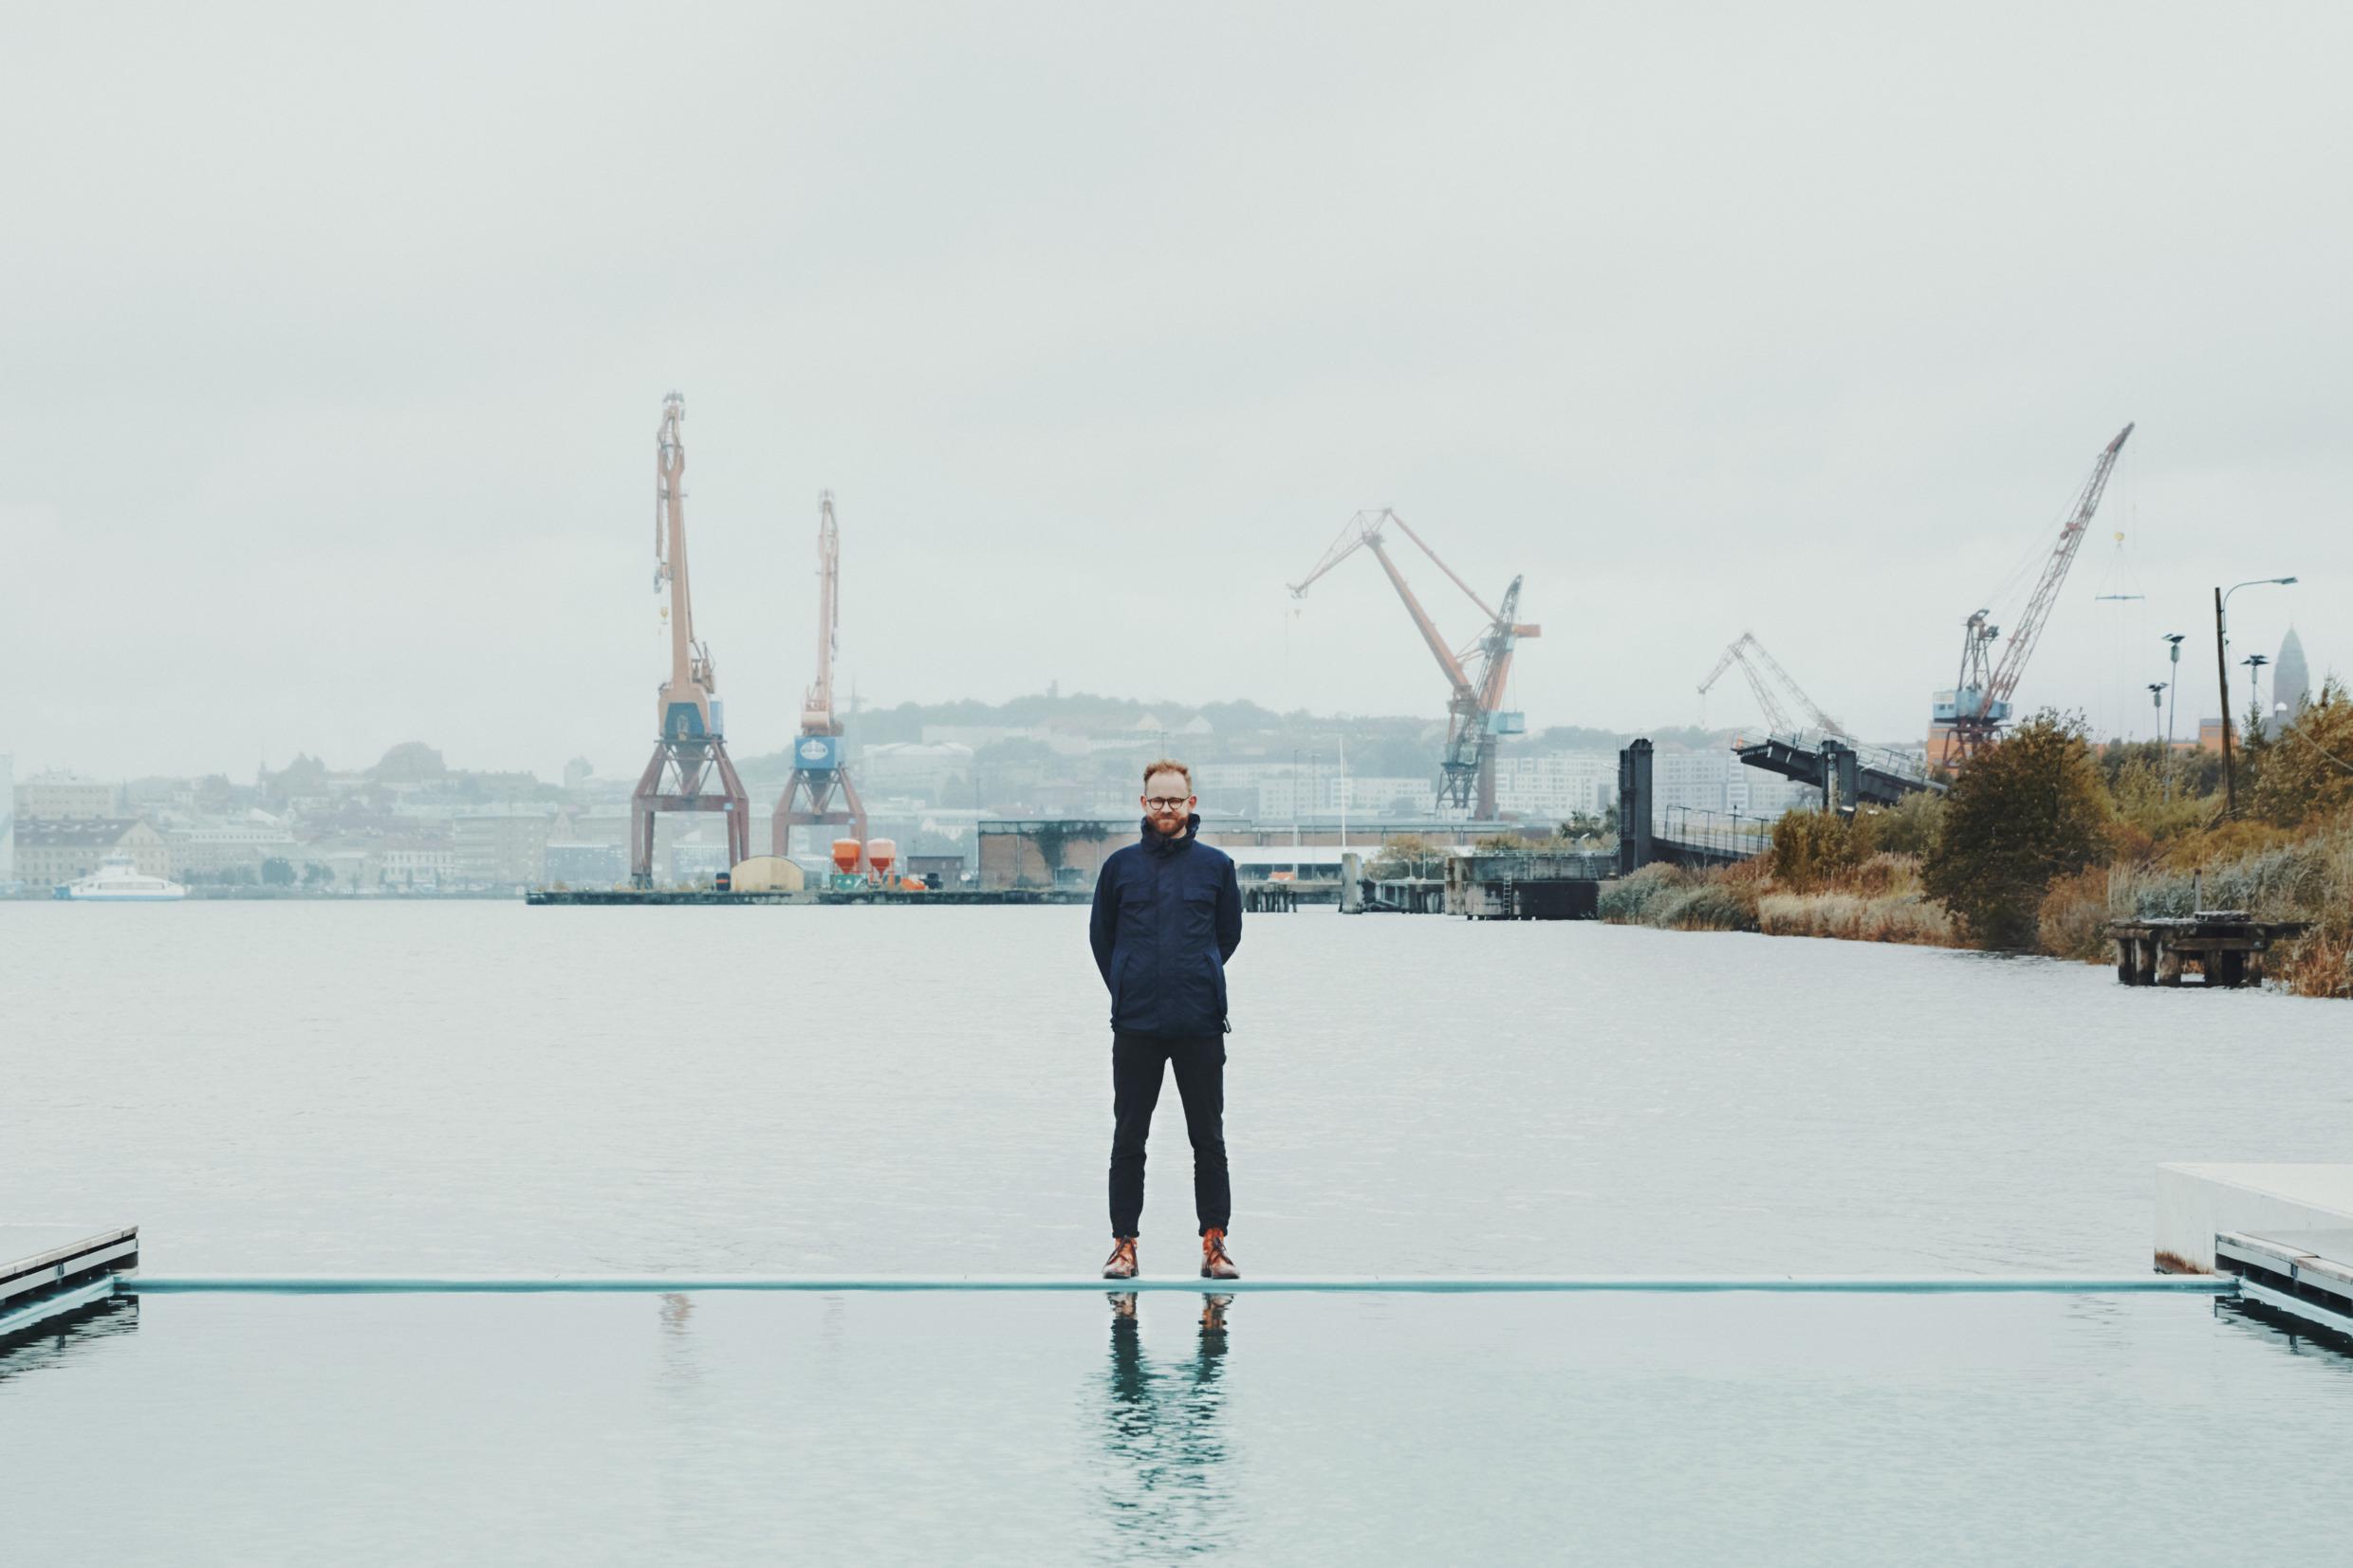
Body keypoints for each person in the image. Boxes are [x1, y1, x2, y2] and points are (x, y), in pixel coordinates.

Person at [1089, 758, 1243, 1281]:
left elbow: (1228, 936)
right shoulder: (1119, 868)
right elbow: (1102, 938)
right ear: (1143, 803)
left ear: (1191, 803)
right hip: (1136, 1024)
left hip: (1200, 1022)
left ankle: (1214, 1243)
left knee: (1209, 1139)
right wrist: (1129, 982)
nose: (1166, 808)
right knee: (1129, 1138)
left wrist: (1198, 973)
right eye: (1157, 800)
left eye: (1175, 800)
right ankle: (1123, 1245)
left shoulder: (1216, 867)